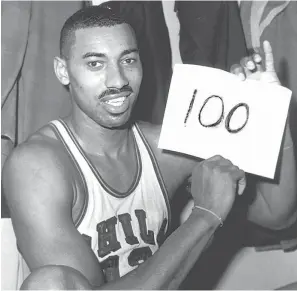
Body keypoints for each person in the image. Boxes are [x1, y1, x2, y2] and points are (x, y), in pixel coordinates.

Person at [2, 6, 296, 290]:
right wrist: (204, 217)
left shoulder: (164, 147)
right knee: (47, 285)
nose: (117, 80)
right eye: (95, 63)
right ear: (63, 71)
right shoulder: (37, 166)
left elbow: (276, 213)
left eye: (128, 60)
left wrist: (271, 116)